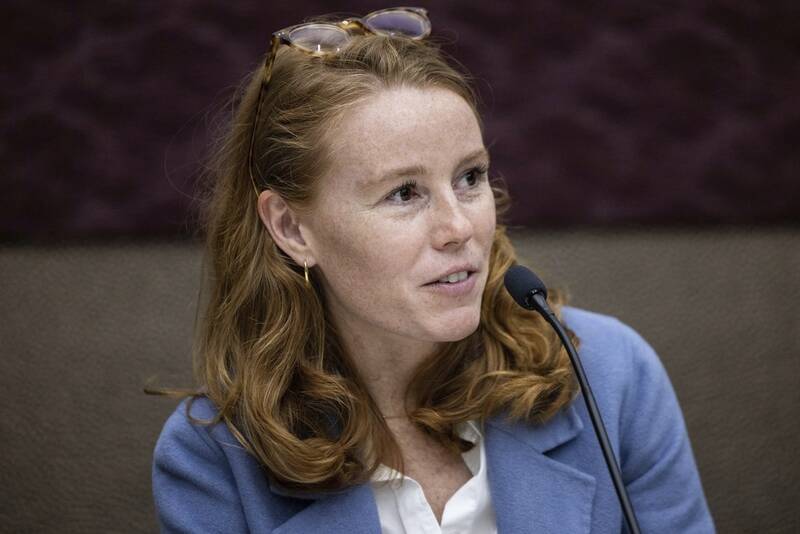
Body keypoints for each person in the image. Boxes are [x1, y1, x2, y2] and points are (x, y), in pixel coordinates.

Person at [150, 7, 715, 533]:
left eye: (470, 177)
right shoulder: (213, 457)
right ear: (292, 229)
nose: (459, 228)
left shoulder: (611, 375)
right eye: (404, 193)